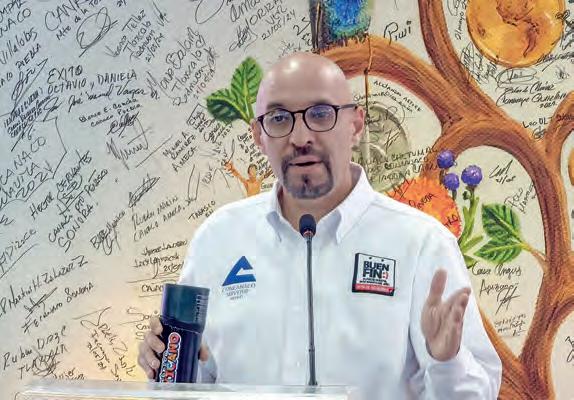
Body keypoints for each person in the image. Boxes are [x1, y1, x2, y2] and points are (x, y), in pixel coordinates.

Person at [138, 52, 502, 399]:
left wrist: (446, 362)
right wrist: (165, 363)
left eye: (320, 114)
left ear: (355, 125)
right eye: (279, 119)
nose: (300, 138)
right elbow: (192, 385)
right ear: (259, 136)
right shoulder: (218, 239)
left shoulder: (421, 243)